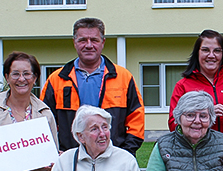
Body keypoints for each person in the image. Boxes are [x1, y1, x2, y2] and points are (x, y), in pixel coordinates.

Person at [40, 17, 145, 155]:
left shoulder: (123, 77)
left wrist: (125, 153)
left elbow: (136, 119)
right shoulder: (56, 79)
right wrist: (54, 153)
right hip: (70, 158)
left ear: (103, 42)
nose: (89, 45)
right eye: (82, 40)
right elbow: (44, 122)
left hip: (112, 157)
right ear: (74, 42)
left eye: (94, 40)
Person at [168, 29, 223, 161]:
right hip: (197, 159)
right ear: (197, 53)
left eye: (217, 51)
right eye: (205, 50)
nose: (211, 55)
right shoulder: (183, 85)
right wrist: (206, 113)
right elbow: (173, 125)